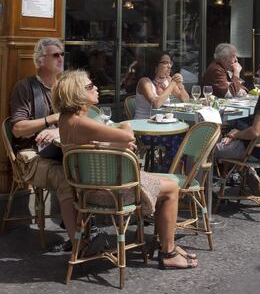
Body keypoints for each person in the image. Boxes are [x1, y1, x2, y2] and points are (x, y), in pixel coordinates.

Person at [53, 69, 197, 269]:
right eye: (89, 86)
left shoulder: (67, 120)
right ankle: (168, 252)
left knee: (165, 183)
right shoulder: (81, 122)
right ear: (76, 93)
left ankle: (165, 242)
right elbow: (128, 135)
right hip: (110, 193)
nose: (96, 88)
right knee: (172, 188)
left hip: (90, 189)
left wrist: (106, 144)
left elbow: (89, 145)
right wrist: (122, 129)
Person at [9, 38, 78, 248]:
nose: (60, 58)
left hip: (60, 149)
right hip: (32, 154)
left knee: (86, 168)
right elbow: (18, 129)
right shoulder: (25, 87)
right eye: (55, 55)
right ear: (40, 62)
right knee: (67, 178)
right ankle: (77, 242)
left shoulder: (65, 87)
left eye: (62, 54)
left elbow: (79, 119)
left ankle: (84, 228)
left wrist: (57, 129)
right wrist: (52, 120)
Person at [215, 52, 260, 161]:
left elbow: (255, 132)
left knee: (206, 148)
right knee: (234, 123)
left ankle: (203, 178)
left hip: (255, 150)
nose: (258, 72)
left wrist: (236, 134)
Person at [135, 50, 189, 169]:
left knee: (187, 136)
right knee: (179, 140)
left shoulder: (168, 80)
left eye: (170, 63)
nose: (169, 66)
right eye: (165, 63)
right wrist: (171, 85)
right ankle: (168, 173)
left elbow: (185, 99)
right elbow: (156, 104)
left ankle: (172, 171)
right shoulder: (145, 82)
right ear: (155, 66)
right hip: (145, 131)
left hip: (163, 128)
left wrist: (180, 85)